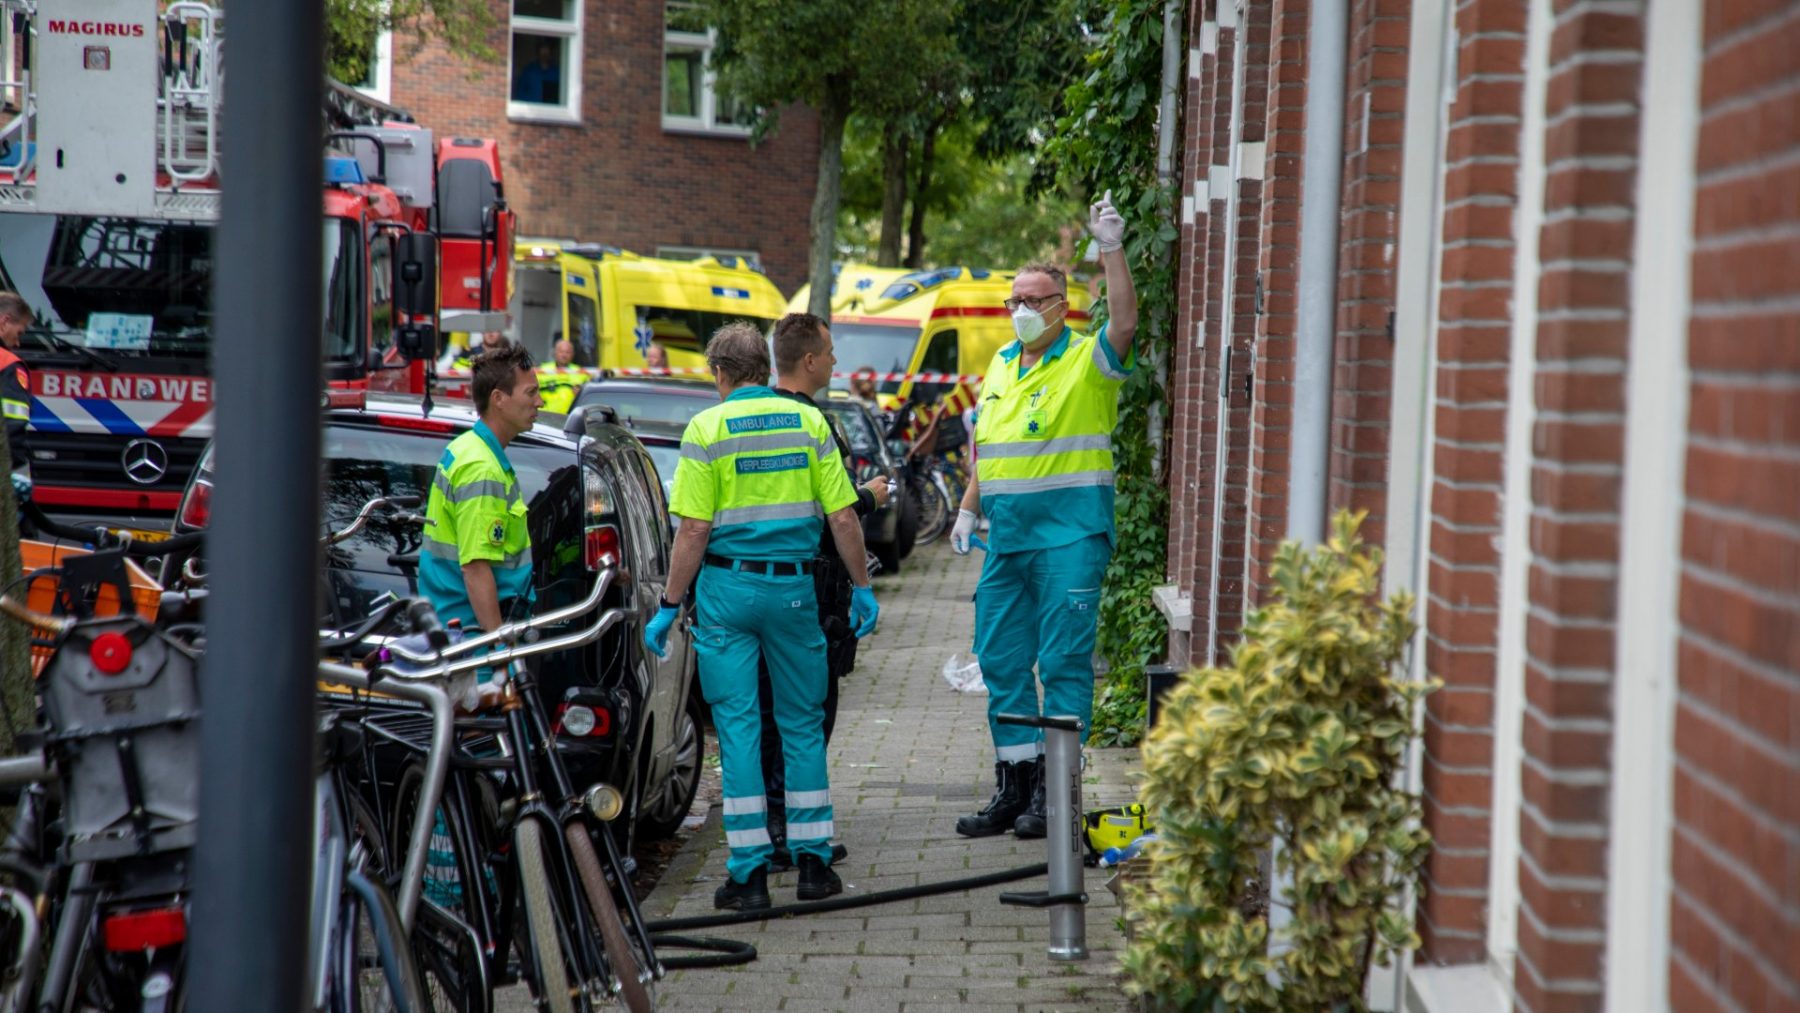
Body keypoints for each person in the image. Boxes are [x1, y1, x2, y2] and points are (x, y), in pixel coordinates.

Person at [643, 322, 879, 911]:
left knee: (742, 729)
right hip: (796, 591)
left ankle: (748, 875)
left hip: (726, 591)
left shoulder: (706, 429)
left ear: (720, 374)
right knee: (801, 725)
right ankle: (814, 866)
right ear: (764, 368)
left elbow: (694, 529)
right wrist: (862, 587)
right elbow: (844, 517)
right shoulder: (807, 423)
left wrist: (669, 604)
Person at [950, 194, 1136, 840]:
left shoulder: (1087, 360)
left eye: (1035, 299)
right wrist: (968, 509)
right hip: (1008, 542)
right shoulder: (1002, 365)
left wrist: (1110, 249)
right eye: (1015, 301)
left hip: (1070, 538)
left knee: (1061, 663)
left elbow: (1126, 327)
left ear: (1062, 306)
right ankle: (1017, 783)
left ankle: (1058, 794)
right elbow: (992, 452)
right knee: (999, 658)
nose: (1022, 310)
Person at [758, 313, 889, 871]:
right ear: (808, 361)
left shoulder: (747, 418)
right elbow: (833, 514)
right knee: (810, 714)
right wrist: (871, 500)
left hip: (749, 586)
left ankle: (769, 829)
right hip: (813, 591)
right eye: (830, 352)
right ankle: (799, 834)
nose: (836, 361)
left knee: (762, 713)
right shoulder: (815, 425)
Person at [420, 345, 543, 639]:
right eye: (531, 393)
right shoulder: (482, 468)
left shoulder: (466, 447)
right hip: (472, 641)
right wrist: (496, 648)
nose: (540, 402)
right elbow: (476, 568)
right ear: (498, 399)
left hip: (458, 630)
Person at [0, 293, 33, 467]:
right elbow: (10, 429)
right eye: (19, 333)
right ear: (5, 322)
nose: (17, 343)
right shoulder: (7, 364)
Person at [537, 339, 591, 415]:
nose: (564, 355)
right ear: (554, 353)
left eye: (567, 352)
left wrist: (580, 395)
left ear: (572, 354)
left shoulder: (581, 372)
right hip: (546, 417)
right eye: (561, 352)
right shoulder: (542, 371)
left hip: (571, 417)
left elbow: (589, 399)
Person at [511, 39, 562, 105]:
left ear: (551, 52)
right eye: (543, 49)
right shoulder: (529, 71)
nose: (545, 52)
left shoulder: (557, 73)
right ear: (538, 51)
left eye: (547, 49)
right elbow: (520, 95)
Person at [444, 331, 510, 373]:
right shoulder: (469, 354)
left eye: (495, 329)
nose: (490, 333)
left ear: (500, 332)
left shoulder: (506, 356)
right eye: (487, 329)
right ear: (482, 332)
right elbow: (454, 370)